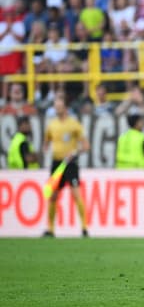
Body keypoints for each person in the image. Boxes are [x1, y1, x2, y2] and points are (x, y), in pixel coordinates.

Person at [43, 95, 90, 238]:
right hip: (56, 163)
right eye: (55, 106)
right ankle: (50, 229)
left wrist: (75, 152)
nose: (57, 108)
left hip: (70, 164)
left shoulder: (74, 124)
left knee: (76, 194)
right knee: (53, 196)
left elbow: (86, 146)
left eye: (59, 106)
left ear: (65, 107)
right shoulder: (51, 125)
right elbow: (46, 143)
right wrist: (47, 149)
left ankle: (84, 228)